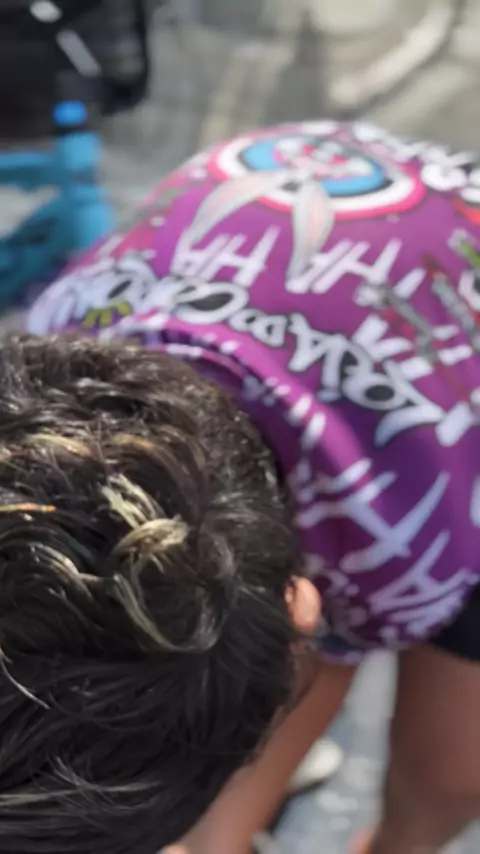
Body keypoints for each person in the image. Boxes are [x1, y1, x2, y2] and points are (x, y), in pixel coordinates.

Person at [8, 119, 480, 854]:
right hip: (293, 216)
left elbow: (327, 659)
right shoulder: (30, 383)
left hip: (438, 414)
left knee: (449, 773)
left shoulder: (406, 548)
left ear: (299, 619)